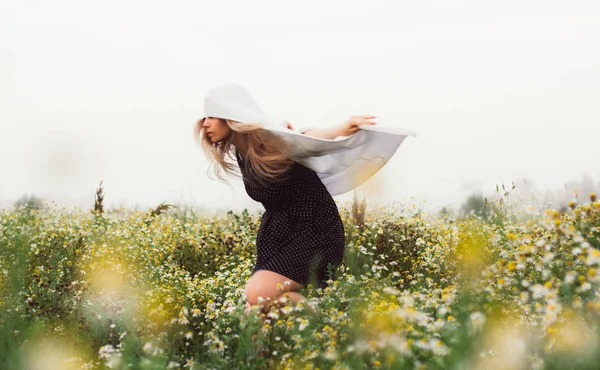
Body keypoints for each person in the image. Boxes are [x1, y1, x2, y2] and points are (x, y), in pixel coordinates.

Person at [193, 84, 378, 313]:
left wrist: (340, 128)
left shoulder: (272, 140)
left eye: (211, 116)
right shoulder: (242, 152)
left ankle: (321, 319)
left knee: (257, 293)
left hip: (313, 230)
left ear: (230, 115)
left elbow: (307, 138)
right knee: (254, 311)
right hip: (279, 235)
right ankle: (302, 335)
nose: (205, 124)